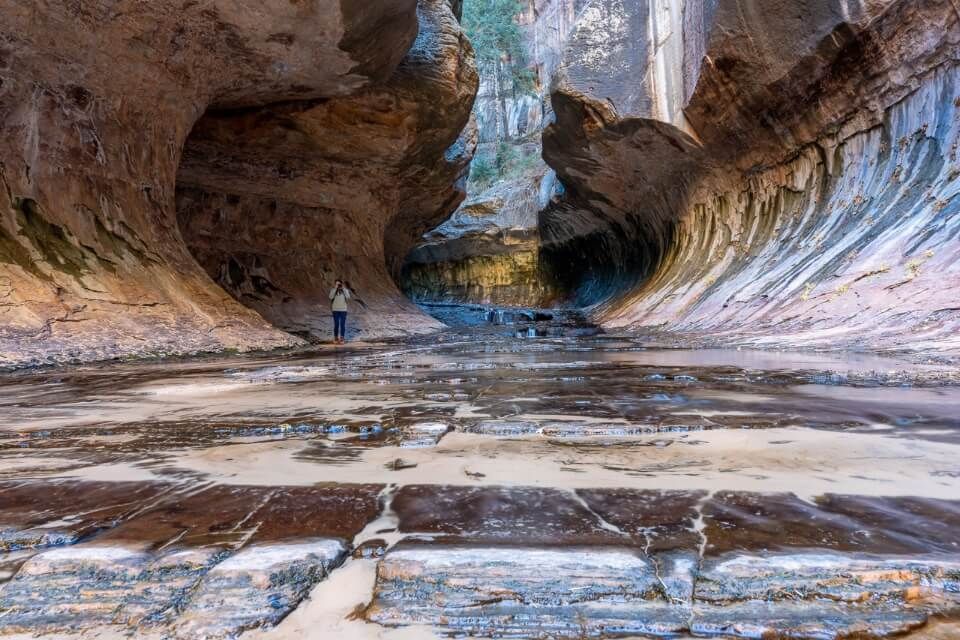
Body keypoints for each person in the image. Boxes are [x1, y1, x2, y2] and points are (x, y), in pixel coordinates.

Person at [329, 279, 351, 344]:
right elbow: (330, 297)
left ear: (341, 284)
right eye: (336, 284)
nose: (338, 285)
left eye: (339, 284)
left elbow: (348, 297)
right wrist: (335, 288)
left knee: (342, 324)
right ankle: (336, 337)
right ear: (335, 284)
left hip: (343, 310)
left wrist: (343, 288)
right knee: (336, 324)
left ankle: (342, 338)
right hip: (335, 310)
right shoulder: (333, 290)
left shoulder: (345, 290)